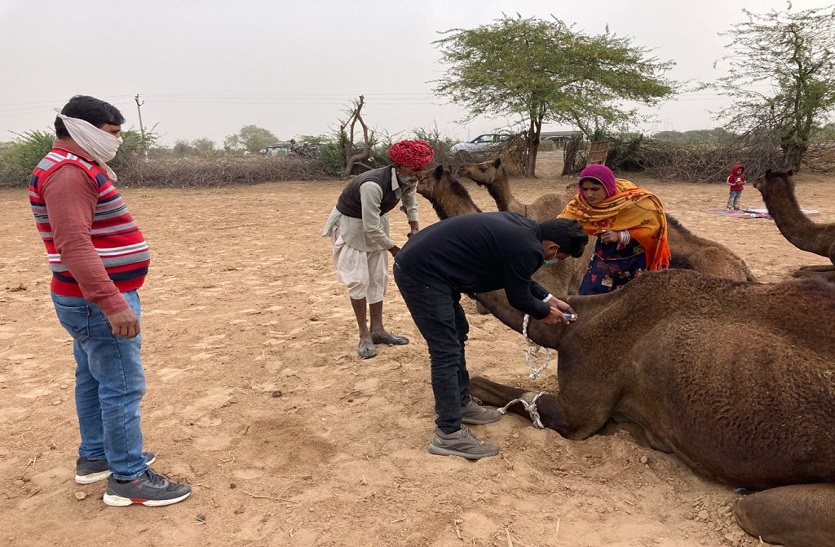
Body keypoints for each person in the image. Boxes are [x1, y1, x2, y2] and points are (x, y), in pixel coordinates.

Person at [28, 95, 191, 507]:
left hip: (84, 299)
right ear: (83, 129)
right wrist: (111, 302)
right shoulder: (69, 173)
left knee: (92, 377)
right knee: (121, 386)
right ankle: (128, 477)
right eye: (112, 133)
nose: (116, 142)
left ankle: (97, 455)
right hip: (95, 301)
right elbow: (73, 244)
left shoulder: (75, 167)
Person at [393, 212, 589, 459]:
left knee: (457, 333)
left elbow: (517, 277)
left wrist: (549, 299)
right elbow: (517, 296)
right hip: (422, 274)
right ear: (552, 246)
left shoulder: (526, 230)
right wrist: (543, 313)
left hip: (433, 268)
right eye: (558, 258)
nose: (552, 261)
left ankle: (461, 404)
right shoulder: (528, 247)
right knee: (445, 350)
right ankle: (448, 432)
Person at [322, 139, 434, 359]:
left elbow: (410, 203)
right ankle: (364, 334)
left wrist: (415, 227)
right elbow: (370, 226)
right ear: (399, 166)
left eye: (422, 169)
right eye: (415, 168)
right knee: (358, 280)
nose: (420, 174)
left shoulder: (408, 178)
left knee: (377, 278)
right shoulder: (372, 185)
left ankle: (378, 330)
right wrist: (396, 250)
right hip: (351, 227)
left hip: (375, 226)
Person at [558, 164, 671, 295]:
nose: (589, 194)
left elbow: (654, 227)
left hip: (633, 258)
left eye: (595, 189)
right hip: (604, 255)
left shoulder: (637, 202)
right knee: (589, 295)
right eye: (585, 189)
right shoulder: (581, 203)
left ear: (608, 186)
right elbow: (563, 221)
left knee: (632, 299)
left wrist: (621, 236)